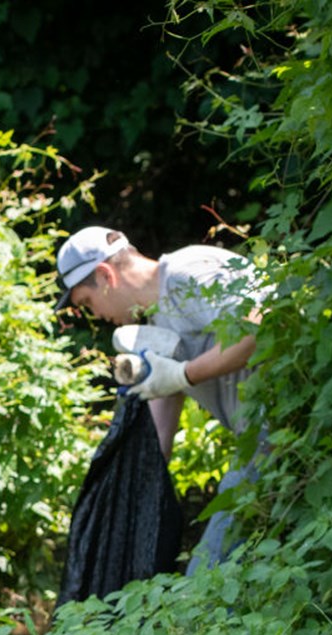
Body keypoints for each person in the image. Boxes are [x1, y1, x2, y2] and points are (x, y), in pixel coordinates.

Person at [56, 226, 269, 571]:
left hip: (283, 427)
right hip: (260, 442)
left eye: (87, 302)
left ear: (105, 275)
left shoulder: (189, 272)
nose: (95, 316)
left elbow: (260, 326)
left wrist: (186, 374)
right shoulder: (155, 320)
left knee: (208, 579)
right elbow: (160, 430)